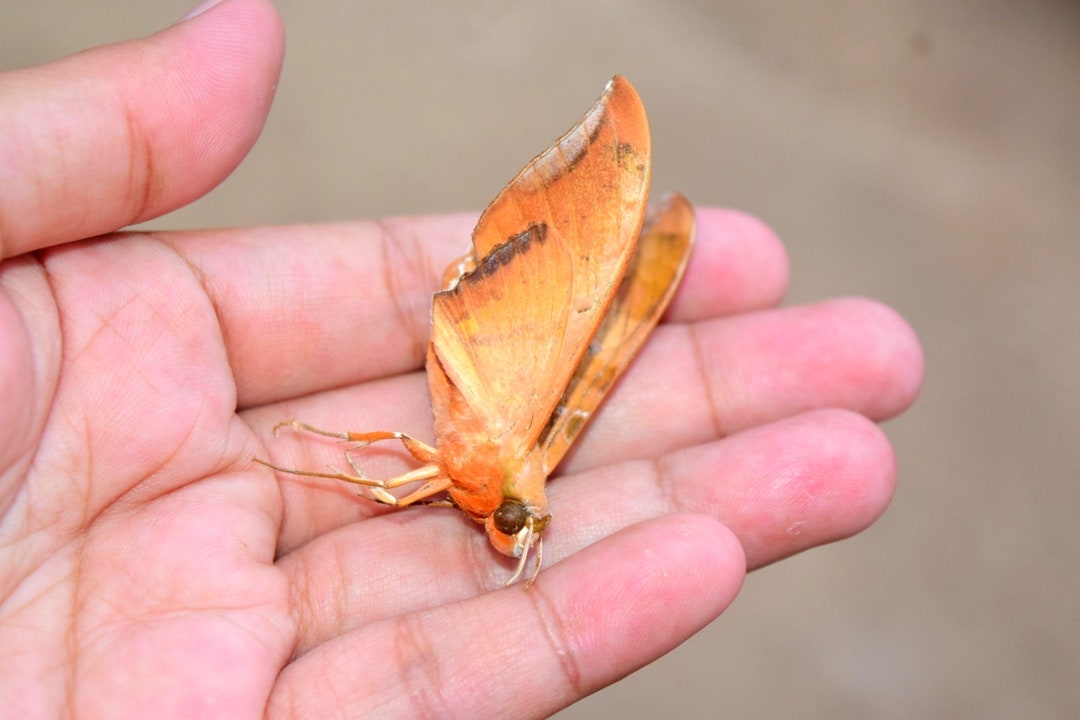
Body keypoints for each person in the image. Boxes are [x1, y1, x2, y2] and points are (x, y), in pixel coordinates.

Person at [0, 0, 923, 716]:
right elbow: (418, 474)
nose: (516, 529)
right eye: (520, 525)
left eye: (518, 530)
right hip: (494, 354)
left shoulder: (496, 485)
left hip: (479, 359)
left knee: (457, 451)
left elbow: (419, 476)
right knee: (564, 348)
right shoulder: (508, 468)